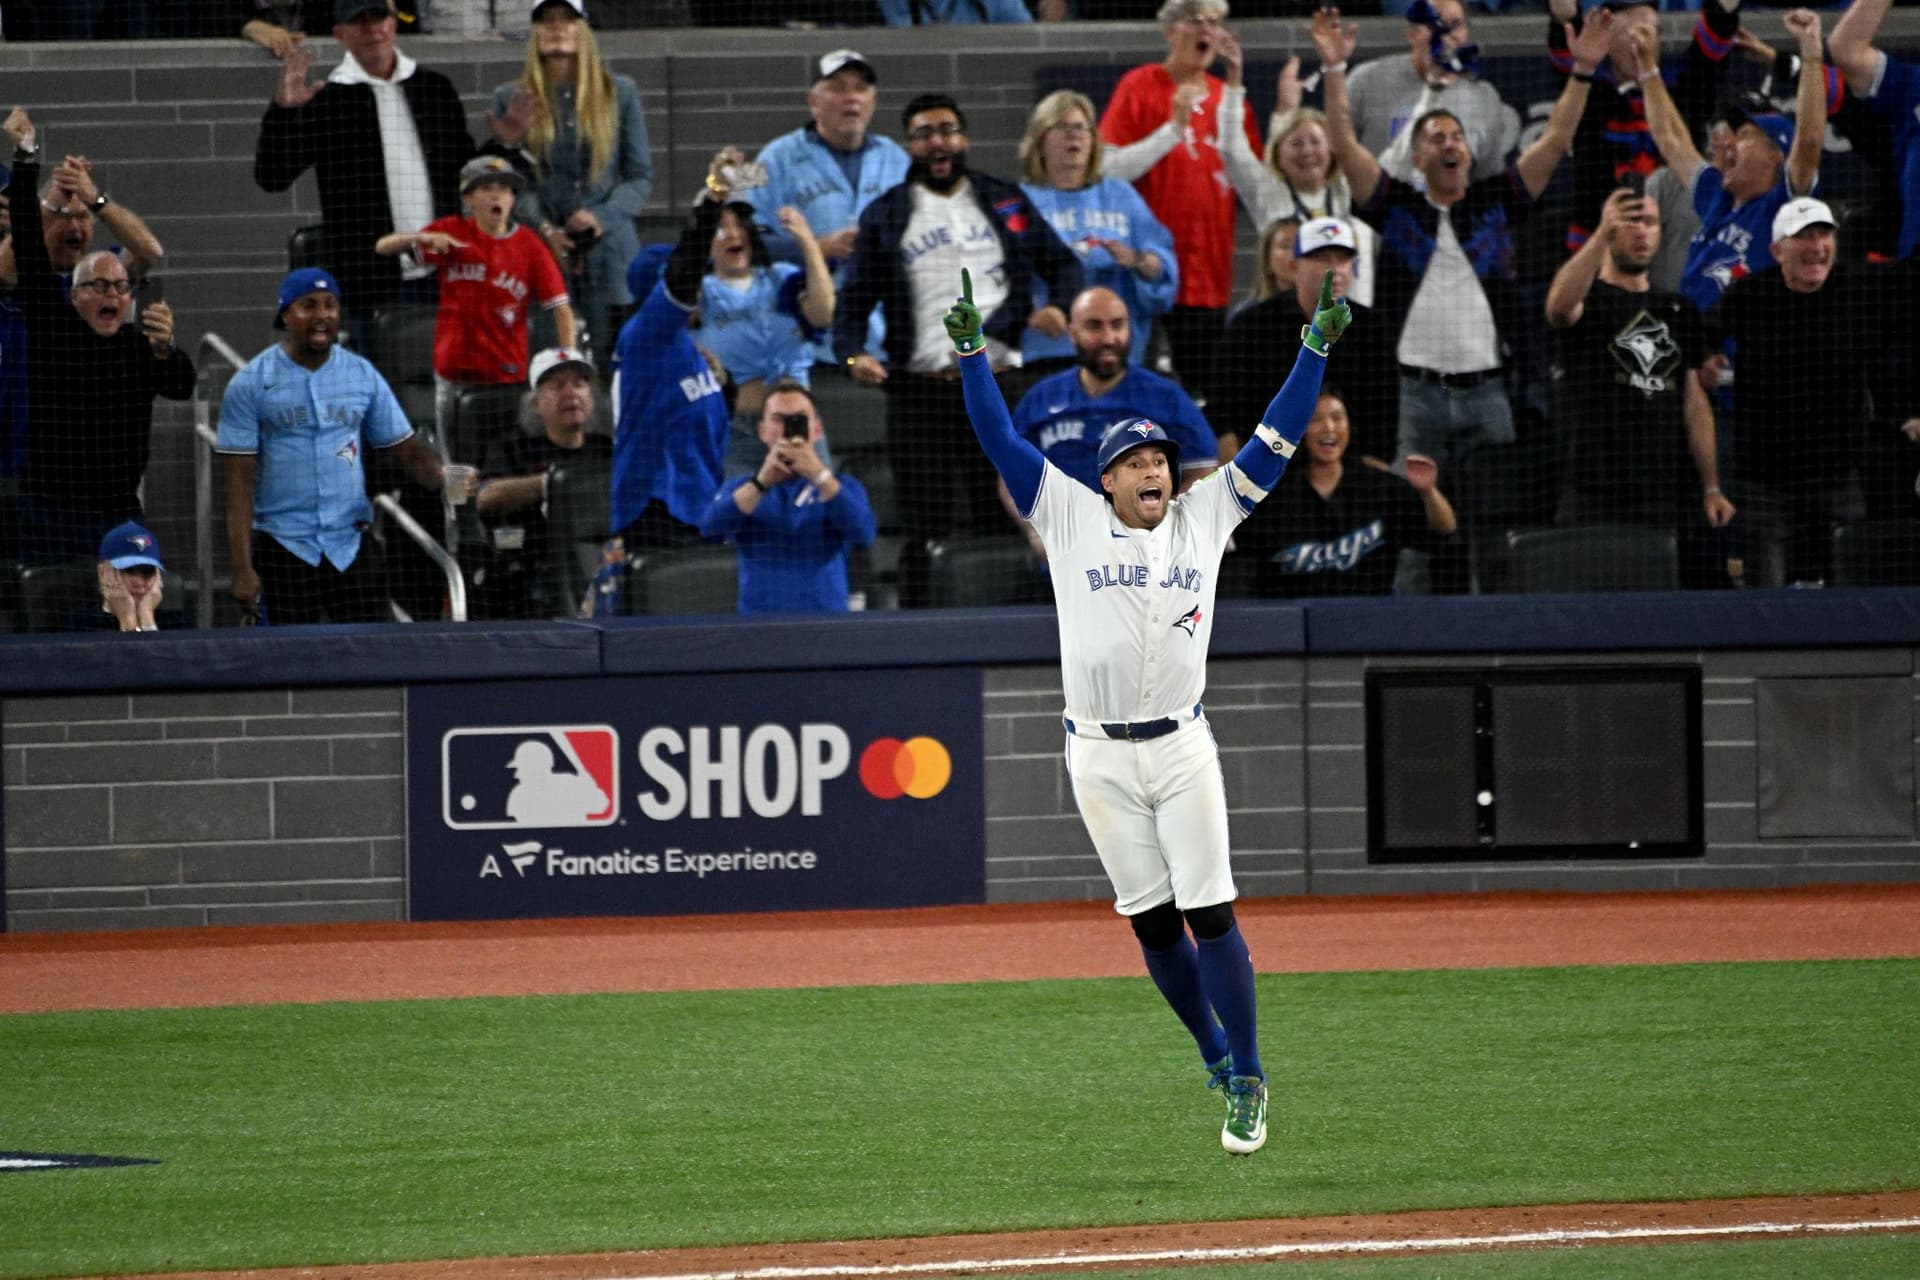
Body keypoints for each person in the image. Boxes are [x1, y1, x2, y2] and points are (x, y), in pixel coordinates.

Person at [952, 262, 1351, 1155]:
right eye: (1135, 462)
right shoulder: (1068, 516)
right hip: (1097, 754)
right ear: (1107, 479)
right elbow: (998, 438)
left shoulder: (1206, 516)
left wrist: (1313, 351)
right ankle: (1213, 1053)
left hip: (1180, 747)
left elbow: (1277, 439)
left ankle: (1249, 1076)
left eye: (1161, 460)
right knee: (1152, 922)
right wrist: (975, 354)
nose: (1154, 472)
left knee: (1211, 912)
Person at [1318, 7, 1612, 474]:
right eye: (1437, 138)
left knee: (1494, 506)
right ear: (1417, 157)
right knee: (1409, 510)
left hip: (1489, 392)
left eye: (1457, 137)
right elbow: (1343, 143)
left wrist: (1582, 71)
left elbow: (1556, 139)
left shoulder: (1497, 201)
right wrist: (1334, 68)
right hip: (1412, 396)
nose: (1451, 144)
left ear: (1471, 153)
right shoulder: (1395, 207)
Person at [833, 93, 1083, 608]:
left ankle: (1010, 624)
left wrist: (1060, 306)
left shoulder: (1005, 200)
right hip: (920, 394)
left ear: (964, 138)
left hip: (999, 386)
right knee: (924, 524)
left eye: (946, 130)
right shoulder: (887, 214)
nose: (937, 142)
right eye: (924, 133)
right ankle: (919, 630)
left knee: (1008, 512)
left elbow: (1064, 263)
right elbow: (853, 300)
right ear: (909, 145)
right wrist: (853, 355)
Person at [3, 113, 196, 568]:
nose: (112, 294)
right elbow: (27, 243)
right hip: (53, 511)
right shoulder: (53, 328)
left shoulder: (138, 344)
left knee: (133, 604)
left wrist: (165, 348)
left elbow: (182, 384)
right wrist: (26, 157)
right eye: (100, 287)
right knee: (53, 604)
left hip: (120, 511)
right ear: (74, 295)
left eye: (121, 287)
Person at [217, 268, 448, 624]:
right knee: (293, 653)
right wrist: (242, 569)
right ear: (285, 315)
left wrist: (446, 475)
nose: (322, 315)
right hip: (285, 549)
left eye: (330, 305)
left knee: (373, 650)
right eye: (308, 305)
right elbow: (237, 487)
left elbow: (406, 449)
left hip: (350, 543)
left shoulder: (362, 373)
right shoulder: (249, 384)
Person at [1544, 187, 1734, 563]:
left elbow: (1695, 405)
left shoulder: (1678, 309)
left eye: (1649, 222)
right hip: (1593, 489)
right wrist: (1601, 233)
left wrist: (1711, 486)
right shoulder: (1589, 297)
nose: (1642, 232)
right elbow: (1559, 308)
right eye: (1630, 221)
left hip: (1662, 491)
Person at [254, 0, 473, 320]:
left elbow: (468, 171)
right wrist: (283, 112)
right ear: (340, 34)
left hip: (446, 272)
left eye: (378, 17)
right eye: (359, 21)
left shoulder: (434, 89)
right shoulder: (329, 101)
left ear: (393, 23)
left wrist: (505, 142)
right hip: (368, 281)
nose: (372, 29)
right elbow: (272, 176)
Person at [1705, 198, 1879, 588]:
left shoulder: (1859, 288)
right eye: (1803, 237)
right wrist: (1705, 356)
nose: (1817, 246)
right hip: (1766, 482)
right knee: (1766, 603)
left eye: (1824, 235)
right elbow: (1701, 331)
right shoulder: (1750, 294)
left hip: (1839, 478)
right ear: (1776, 250)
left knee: (1854, 597)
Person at [1098, 0, 1261, 403]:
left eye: (1214, 22)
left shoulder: (1230, 101)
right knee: (1136, 393)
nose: (1206, 29)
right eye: (1194, 20)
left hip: (1209, 277)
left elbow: (1255, 184)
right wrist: (1171, 131)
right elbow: (1106, 170)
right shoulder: (1139, 86)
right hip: (1147, 273)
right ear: (1170, 31)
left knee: (1202, 398)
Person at [375, 154, 576, 457]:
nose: (496, 196)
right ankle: (455, 490)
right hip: (454, 378)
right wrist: (422, 237)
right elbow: (383, 247)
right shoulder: (452, 231)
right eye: (486, 188)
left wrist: (567, 360)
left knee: (505, 459)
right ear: (468, 198)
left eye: (504, 189)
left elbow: (561, 309)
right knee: (456, 466)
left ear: (512, 199)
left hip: (507, 378)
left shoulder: (530, 246)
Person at [487, 0, 654, 360]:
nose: (556, 27)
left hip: (610, 255)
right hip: (541, 252)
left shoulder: (620, 92)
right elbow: (510, 183)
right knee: (551, 359)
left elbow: (640, 178)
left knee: (618, 358)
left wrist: (600, 216)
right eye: (546, 20)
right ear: (534, 32)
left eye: (566, 19)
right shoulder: (510, 98)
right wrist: (545, 228)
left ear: (584, 28)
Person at [1632, 10, 1826, 315]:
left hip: (1742, 340)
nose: (1729, 144)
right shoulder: (1717, 195)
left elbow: (1810, 139)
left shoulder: (1782, 207)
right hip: (1690, 334)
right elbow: (1670, 138)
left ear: (1776, 155)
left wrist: (1812, 55)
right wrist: (1647, 69)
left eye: (1745, 135)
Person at [1004, 286, 1217, 557]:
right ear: (1072, 333)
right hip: (1064, 558)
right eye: (1094, 326)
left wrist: (1164, 524)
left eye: (1117, 325)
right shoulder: (1040, 399)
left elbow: (1202, 469)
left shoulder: (1167, 398)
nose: (1108, 338)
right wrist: (1035, 529)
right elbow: (1009, 474)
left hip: (1148, 561)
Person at [743, 50, 910, 369]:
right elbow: (747, 241)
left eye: (860, 88)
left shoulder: (896, 159)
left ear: (873, 100)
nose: (852, 98)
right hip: (805, 340)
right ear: (813, 100)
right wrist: (817, 248)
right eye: (837, 88)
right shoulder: (773, 158)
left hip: (886, 338)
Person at [1545, 0, 1743, 256]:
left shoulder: (1685, 93)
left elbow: (1716, 37)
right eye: (1631, 33)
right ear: (1607, 41)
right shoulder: (1591, 98)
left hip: (1676, 246)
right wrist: (1564, 15)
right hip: (1599, 249)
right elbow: (1568, 48)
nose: (1641, 42)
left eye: (1650, 32)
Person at [1233, 388, 1455, 598]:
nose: (1329, 427)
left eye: (1337, 418)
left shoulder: (1380, 487)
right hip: (1291, 620)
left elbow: (1445, 530)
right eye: (1315, 419)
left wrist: (1428, 492)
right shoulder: (1271, 495)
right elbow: (1237, 550)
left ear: (1349, 427)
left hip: (1370, 616)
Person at [1017, 90, 1177, 373]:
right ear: (1040, 139)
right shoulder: (1020, 201)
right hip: (1047, 350)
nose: (1075, 136)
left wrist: (1136, 260)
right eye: (1063, 127)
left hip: (1115, 352)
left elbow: (1162, 271)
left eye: (1082, 128)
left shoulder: (1121, 195)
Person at [1214, 218, 1396, 462]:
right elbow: (1223, 411)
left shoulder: (1373, 329)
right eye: (1323, 259)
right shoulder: (1250, 327)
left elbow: (1384, 420)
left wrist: (1372, 475)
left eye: (1343, 260)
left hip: (1349, 469)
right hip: (1267, 464)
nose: (1336, 270)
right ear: (1294, 267)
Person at [699, 381, 877, 614]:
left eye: (799, 419)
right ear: (762, 431)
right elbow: (711, 530)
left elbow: (863, 534)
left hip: (827, 621)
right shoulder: (741, 488)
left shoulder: (843, 486)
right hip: (759, 623)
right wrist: (762, 482)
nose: (787, 428)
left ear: (817, 429)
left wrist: (819, 475)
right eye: (778, 419)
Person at [686, 149, 836, 421]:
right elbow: (681, 302)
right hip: (733, 426)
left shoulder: (781, 277)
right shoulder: (703, 291)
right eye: (720, 228)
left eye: (740, 224)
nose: (733, 234)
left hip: (796, 422)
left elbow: (824, 314)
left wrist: (807, 242)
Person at [474, 345, 613, 619]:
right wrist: (550, 484)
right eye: (557, 386)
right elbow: (485, 497)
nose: (571, 394)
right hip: (536, 567)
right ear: (536, 403)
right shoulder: (513, 448)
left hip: (602, 561)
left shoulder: (606, 449)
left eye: (580, 384)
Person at [611, 231, 728, 555]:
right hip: (659, 506)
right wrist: (706, 216)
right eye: (693, 282)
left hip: (696, 502)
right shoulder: (646, 335)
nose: (700, 291)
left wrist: (723, 382)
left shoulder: (684, 344)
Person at [1215, 103, 1377, 309]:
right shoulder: (1268, 195)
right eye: (1296, 144)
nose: (1307, 151)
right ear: (1278, 154)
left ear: (1331, 149)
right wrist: (1233, 87)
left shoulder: (1350, 191)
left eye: (1316, 142)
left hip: (1348, 316)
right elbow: (1230, 148)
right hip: (1286, 314)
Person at [1344, 0, 1520, 186]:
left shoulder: (1483, 98)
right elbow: (1338, 154)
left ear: (1466, 33)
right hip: (1379, 201)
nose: (1445, 35)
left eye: (1455, 25)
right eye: (1433, 24)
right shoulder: (1366, 80)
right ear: (1412, 34)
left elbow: (1489, 184)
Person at [0, 152, 165, 290]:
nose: (73, 226)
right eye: (63, 217)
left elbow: (151, 251)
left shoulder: (106, 269)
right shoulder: (21, 267)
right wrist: (51, 205)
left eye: (81, 217)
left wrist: (95, 198)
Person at [96, 520, 167, 633]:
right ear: (103, 573)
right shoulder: (77, 625)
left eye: (147, 572)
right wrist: (127, 619)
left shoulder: (176, 623)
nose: (139, 583)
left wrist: (147, 619)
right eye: (129, 570)